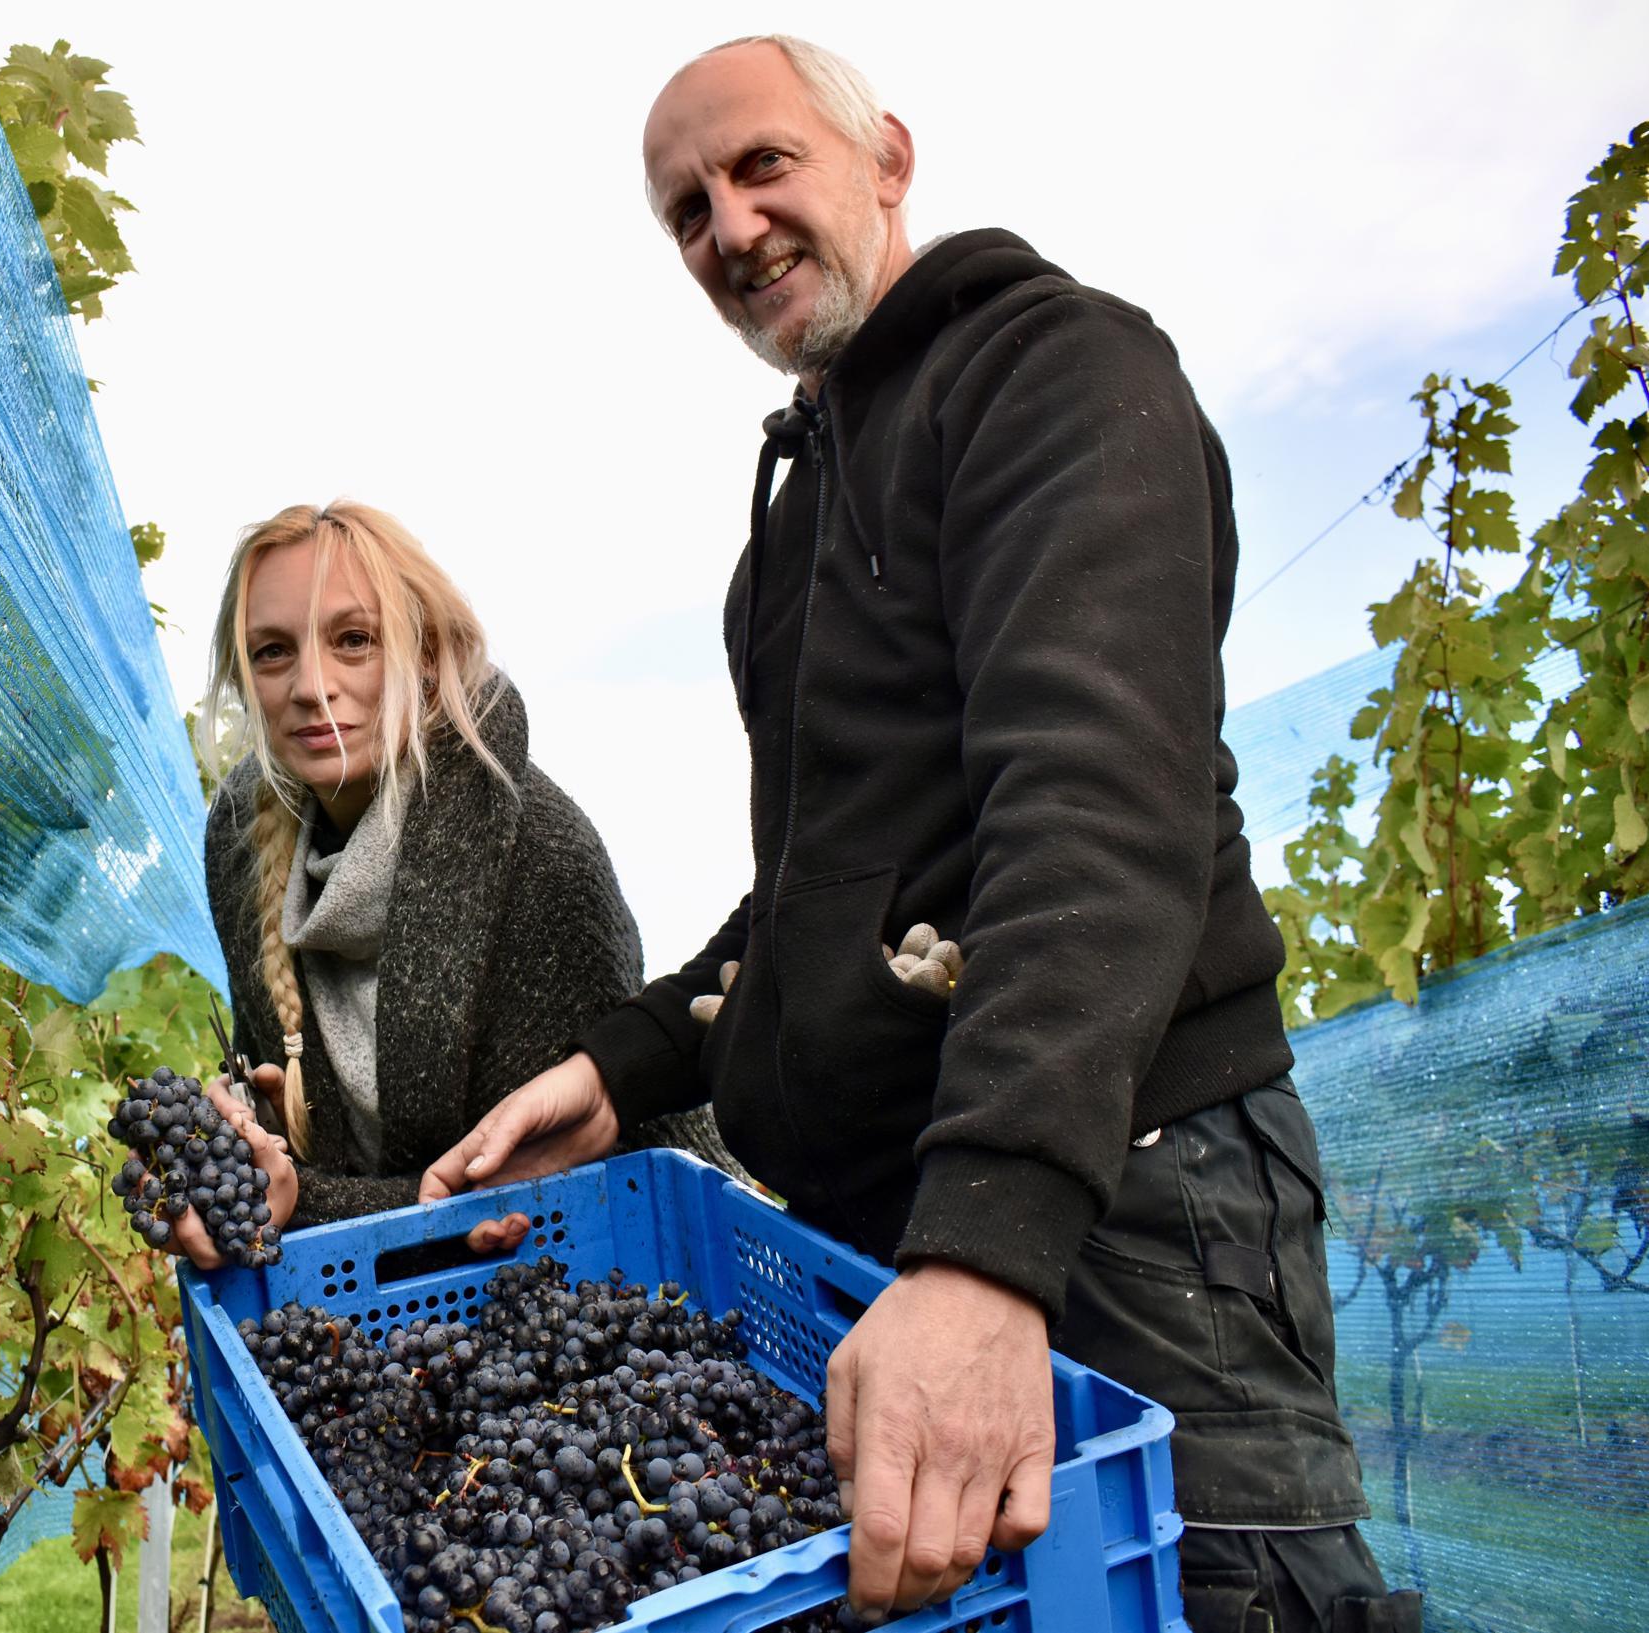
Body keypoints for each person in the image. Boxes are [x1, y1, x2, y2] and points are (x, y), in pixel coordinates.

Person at [420, 36, 1419, 1633]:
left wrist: (989, 1250)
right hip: (915, 1222)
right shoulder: (790, 535)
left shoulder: (1053, 374)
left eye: (760, 168)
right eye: (684, 210)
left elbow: (1096, 802)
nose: (727, 228)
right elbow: (818, 894)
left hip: (1117, 1199)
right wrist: (622, 1064)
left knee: (1218, 1596)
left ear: (886, 155)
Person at [170, 499, 743, 1268]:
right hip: (399, 1315)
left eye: (354, 641)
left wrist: (302, 1198)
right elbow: (305, 1147)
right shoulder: (241, 844)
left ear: (427, 655)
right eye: (272, 651)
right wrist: (259, 1134)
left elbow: (531, 1204)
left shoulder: (543, 858)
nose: (312, 685)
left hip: (630, 1271)